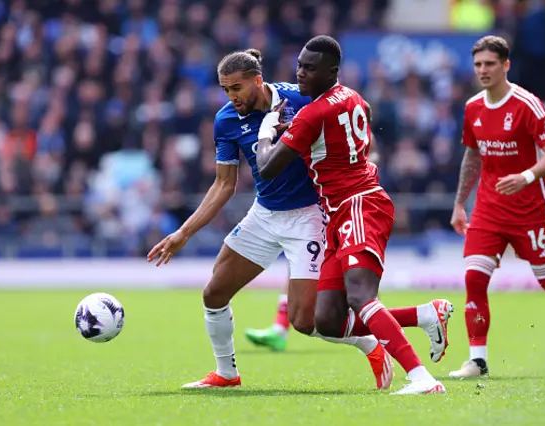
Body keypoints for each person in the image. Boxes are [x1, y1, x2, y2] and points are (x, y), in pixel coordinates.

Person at [147, 49, 390, 389]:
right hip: (264, 214)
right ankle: (226, 374)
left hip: (309, 217)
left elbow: (354, 116)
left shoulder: (299, 99)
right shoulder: (226, 121)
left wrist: (366, 161)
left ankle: (370, 342)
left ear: (257, 81)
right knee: (214, 293)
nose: (232, 97)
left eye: (237, 88)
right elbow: (223, 184)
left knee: (305, 321)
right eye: (225, 89)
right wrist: (183, 233)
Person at [255, 35, 452, 395]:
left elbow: (266, 167)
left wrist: (266, 134)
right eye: (299, 64)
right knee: (327, 319)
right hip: (340, 212)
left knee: (361, 296)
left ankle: (422, 378)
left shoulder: (313, 112)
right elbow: (342, 134)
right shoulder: (353, 98)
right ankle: (425, 315)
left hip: (360, 205)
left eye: (310, 68)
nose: (300, 72)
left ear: (331, 71)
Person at [449, 35, 545, 378]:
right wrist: (459, 204)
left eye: (489, 64)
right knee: (474, 278)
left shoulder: (526, 104)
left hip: (529, 210)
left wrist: (527, 177)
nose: (482, 70)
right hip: (488, 208)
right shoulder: (473, 107)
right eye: (477, 65)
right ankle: (478, 359)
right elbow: (472, 155)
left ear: (506, 65)